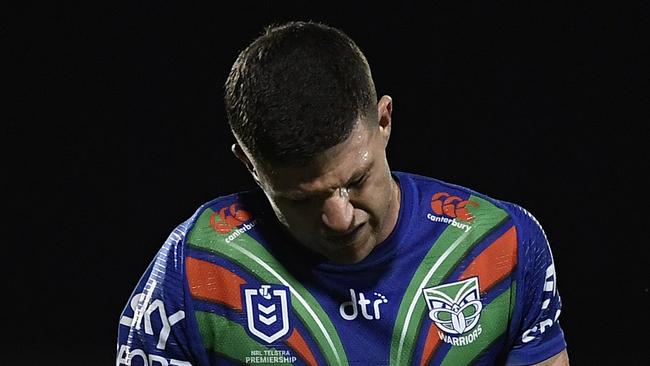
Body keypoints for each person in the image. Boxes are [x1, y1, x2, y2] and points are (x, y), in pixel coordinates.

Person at [117, 21, 569, 366]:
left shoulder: (500, 247)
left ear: (385, 121)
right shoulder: (197, 267)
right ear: (249, 165)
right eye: (302, 199)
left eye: (355, 181)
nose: (340, 219)